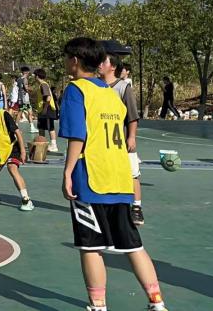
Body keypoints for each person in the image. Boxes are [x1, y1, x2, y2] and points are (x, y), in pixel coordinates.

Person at [59, 37, 168, 311]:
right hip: (119, 177)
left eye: (66, 58)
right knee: (133, 246)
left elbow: (77, 136)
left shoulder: (75, 90)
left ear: (75, 61)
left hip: (91, 177)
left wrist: (68, 172)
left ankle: (98, 306)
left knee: (90, 247)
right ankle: (157, 303)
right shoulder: (111, 92)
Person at [99, 44, 145, 227]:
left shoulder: (123, 87)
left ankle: (137, 207)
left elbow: (132, 116)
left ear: (112, 66)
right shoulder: (97, 86)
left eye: (103, 62)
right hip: (103, 141)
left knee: (132, 173)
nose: (99, 65)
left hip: (121, 140)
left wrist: (131, 137)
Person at [33, 69, 59, 152]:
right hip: (42, 109)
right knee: (41, 128)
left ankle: (54, 145)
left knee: (50, 127)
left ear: (37, 76)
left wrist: (45, 109)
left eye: (34, 75)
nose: (34, 77)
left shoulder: (43, 85)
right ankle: (42, 144)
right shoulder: (41, 85)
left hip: (47, 109)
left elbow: (48, 98)